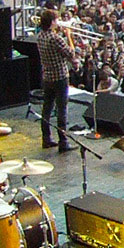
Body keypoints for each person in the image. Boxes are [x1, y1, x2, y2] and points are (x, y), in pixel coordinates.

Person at [35, 9, 78, 152]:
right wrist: (69, 35)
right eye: (56, 20)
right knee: (62, 109)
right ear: (52, 22)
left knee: (47, 108)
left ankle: (46, 138)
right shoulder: (55, 38)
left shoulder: (40, 36)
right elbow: (70, 53)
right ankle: (63, 141)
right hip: (60, 77)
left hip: (47, 77)